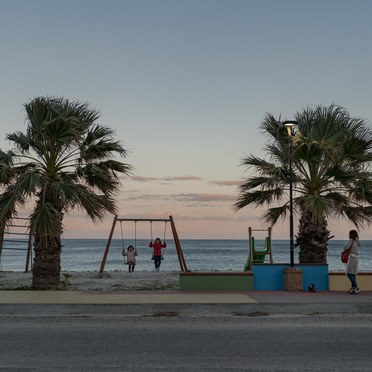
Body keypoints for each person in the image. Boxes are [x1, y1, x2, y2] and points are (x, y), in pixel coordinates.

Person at [342, 230, 360, 294]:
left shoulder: (351, 241)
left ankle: (356, 287)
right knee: (353, 273)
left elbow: (345, 247)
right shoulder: (357, 241)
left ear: (351, 235)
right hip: (356, 258)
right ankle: (353, 288)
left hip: (351, 258)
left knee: (349, 274)